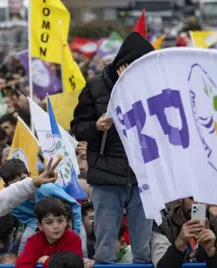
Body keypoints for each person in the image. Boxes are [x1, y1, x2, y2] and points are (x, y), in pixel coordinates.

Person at [71, 32, 155, 264]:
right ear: (123, 63)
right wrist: (96, 126)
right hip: (107, 176)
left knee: (142, 250)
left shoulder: (152, 87)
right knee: (105, 249)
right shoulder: (96, 86)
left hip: (143, 177)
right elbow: (78, 127)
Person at [0, 159, 85, 256]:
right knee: (26, 240)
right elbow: (29, 220)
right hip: (39, 225)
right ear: (6, 187)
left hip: (68, 220)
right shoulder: (12, 204)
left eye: (23, 180)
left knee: (80, 241)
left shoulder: (47, 188)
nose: (22, 186)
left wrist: (75, 230)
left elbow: (74, 205)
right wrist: (42, 226)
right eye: (15, 185)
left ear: (30, 175)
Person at [151, 197, 217, 268]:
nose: (197, 202)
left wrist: (211, 251)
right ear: (182, 199)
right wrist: (179, 244)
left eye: (201, 197)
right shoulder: (163, 225)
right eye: (192, 198)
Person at [15, 197, 83, 268]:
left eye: (60, 221)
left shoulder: (73, 239)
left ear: (65, 221)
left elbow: (72, 265)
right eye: (49, 222)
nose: (56, 226)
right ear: (40, 225)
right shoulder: (34, 241)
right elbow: (22, 265)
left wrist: (47, 261)